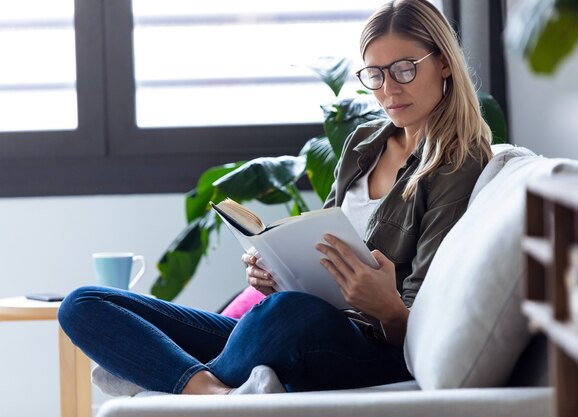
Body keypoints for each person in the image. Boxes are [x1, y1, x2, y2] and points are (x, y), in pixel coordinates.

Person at [58, 0, 492, 395]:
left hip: (369, 346)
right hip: (307, 321)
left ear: (443, 63)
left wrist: (388, 307)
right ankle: (212, 391)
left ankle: (162, 375)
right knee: (84, 303)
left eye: (404, 69)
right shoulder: (364, 144)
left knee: (287, 314)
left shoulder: (458, 162)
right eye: (375, 75)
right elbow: (327, 250)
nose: (388, 90)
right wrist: (280, 271)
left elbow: (424, 327)